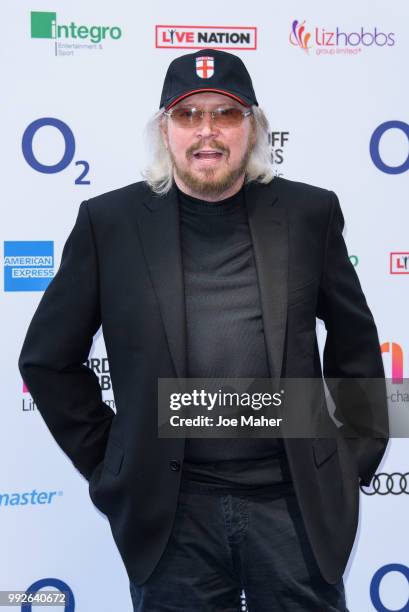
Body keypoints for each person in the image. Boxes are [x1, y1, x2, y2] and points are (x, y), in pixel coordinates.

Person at [18, 49, 389, 611]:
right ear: (164, 131)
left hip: (294, 510)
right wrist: (110, 460)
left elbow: (355, 346)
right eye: (189, 115)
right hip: (171, 519)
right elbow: (47, 360)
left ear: (254, 129)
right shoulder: (109, 224)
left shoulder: (311, 213)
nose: (207, 132)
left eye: (226, 114)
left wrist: (350, 459)